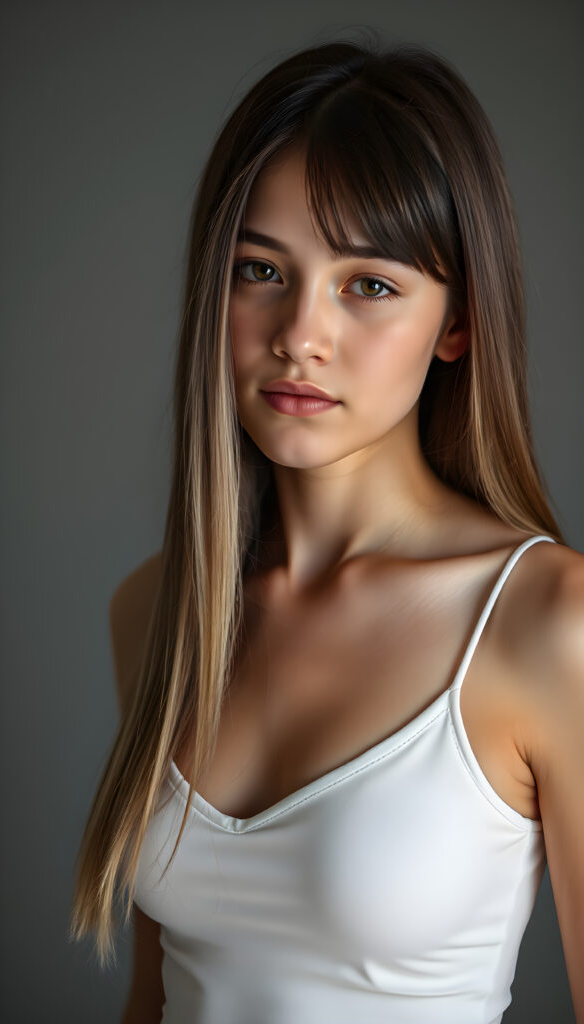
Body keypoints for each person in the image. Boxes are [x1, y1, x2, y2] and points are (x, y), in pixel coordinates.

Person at [70, 35, 584, 1023]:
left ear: (458, 323)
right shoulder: (155, 610)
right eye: (261, 269)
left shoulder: (546, 623)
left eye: (370, 284)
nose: (300, 331)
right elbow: (155, 998)